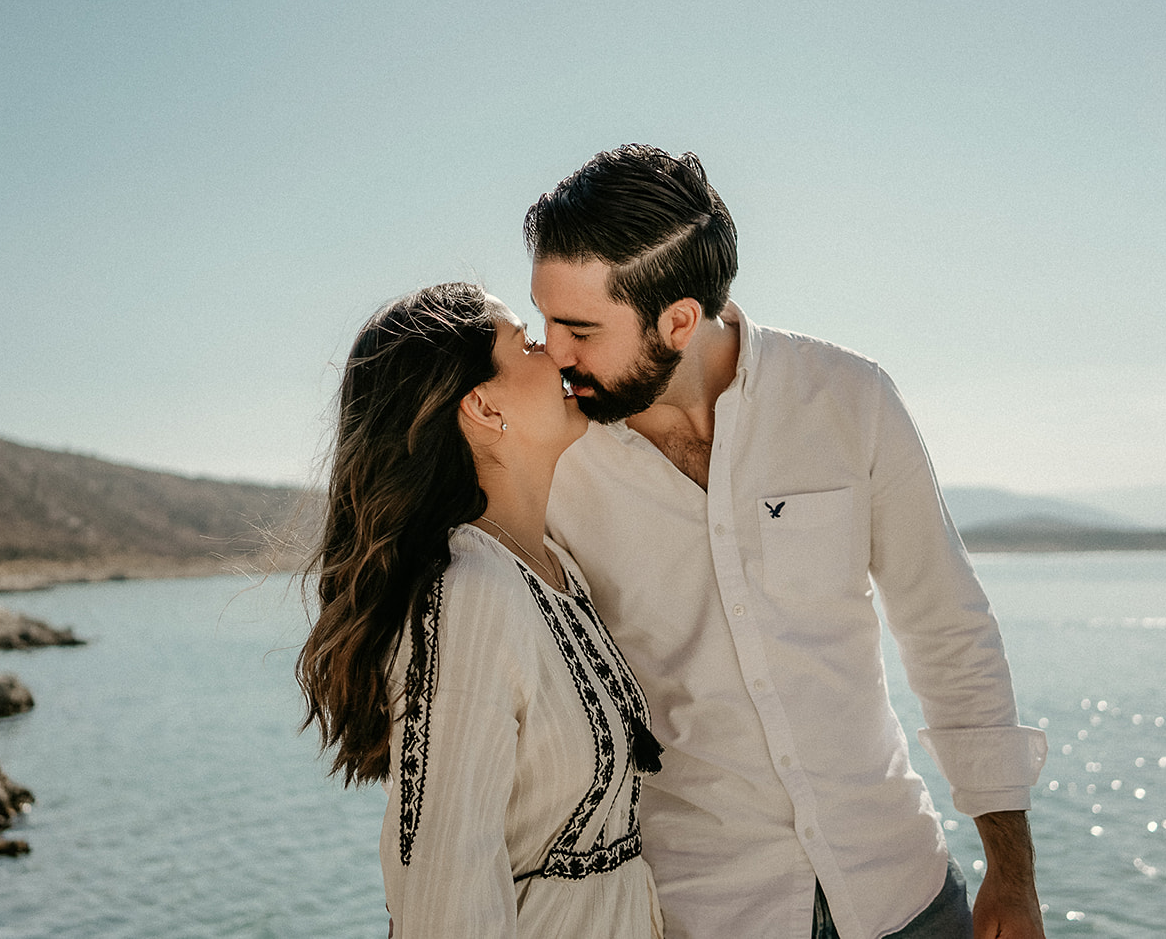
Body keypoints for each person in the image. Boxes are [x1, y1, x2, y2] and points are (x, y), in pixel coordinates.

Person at [524, 146, 1049, 939]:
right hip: (703, 914)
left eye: (580, 329)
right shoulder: (553, 465)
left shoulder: (848, 399)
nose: (554, 353)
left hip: (903, 895)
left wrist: (1012, 874)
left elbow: (949, 630)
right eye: (546, 321)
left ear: (677, 321)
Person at [296, 282, 665, 938]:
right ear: (482, 404)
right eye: (526, 343)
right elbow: (444, 896)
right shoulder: (470, 596)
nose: (556, 349)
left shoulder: (557, 571)